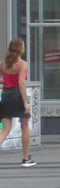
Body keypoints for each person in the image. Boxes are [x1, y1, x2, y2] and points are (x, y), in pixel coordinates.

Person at [0, 37, 35, 167]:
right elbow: (21, 82)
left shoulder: (3, 63)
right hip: (17, 96)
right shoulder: (22, 64)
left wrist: (7, 81)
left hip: (6, 96)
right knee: (24, 127)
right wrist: (26, 102)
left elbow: (3, 79)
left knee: (5, 129)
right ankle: (26, 158)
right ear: (21, 49)